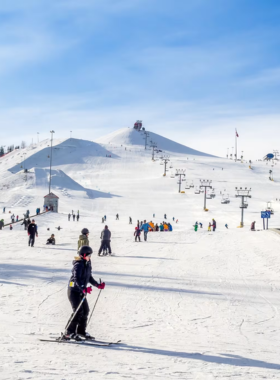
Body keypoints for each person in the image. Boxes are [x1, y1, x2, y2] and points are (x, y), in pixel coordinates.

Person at [62, 246, 105, 341]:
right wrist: (83, 288)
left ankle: (80, 331)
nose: (90, 257)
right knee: (78, 311)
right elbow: (77, 279)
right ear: (83, 255)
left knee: (85, 310)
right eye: (89, 255)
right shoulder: (78, 265)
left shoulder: (87, 263)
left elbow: (89, 277)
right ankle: (69, 332)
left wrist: (97, 285)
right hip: (74, 291)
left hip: (81, 291)